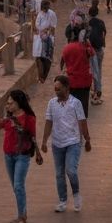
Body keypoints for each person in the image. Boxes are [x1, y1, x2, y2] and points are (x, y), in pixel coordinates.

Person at [0, 89, 39, 223]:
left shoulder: (29, 118)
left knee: (18, 185)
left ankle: (22, 218)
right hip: (8, 154)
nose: (8, 105)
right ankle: (22, 213)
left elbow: (33, 136)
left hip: (22, 155)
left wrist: (37, 152)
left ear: (18, 103)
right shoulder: (9, 117)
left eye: (11, 103)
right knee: (16, 187)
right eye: (8, 103)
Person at [40, 74, 91, 212]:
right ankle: (62, 200)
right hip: (57, 143)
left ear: (67, 88)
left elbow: (82, 122)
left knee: (71, 171)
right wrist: (44, 140)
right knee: (59, 174)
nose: (56, 92)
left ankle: (76, 194)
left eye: (59, 89)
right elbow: (48, 122)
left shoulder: (76, 103)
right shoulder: (51, 103)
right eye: (55, 89)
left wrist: (87, 139)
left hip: (73, 142)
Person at [59, 27, 95, 118]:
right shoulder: (84, 47)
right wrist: (87, 42)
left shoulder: (66, 48)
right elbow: (92, 53)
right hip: (85, 81)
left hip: (72, 81)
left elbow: (62, 63)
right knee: (82, 107)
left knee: (71, 107)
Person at [32, 0, 58, 83]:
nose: (45, 10)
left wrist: (52, 38)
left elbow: (53, 26)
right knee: (38, 58)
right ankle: (40, 76)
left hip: (48, 38)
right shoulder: (40, 14)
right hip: (40, 39)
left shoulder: (52, 14)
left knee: (47, 59)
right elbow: (37, 26)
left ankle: (44, 76)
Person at [86, 4, 107, 105]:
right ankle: (97, 94)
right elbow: (104, 34)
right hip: (99, 50)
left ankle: (93, 93)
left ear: (89, 14)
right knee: (98, 71)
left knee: (92, 71)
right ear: (97, 13)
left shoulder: (87, 24)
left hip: (90, 51)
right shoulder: (101, 22)